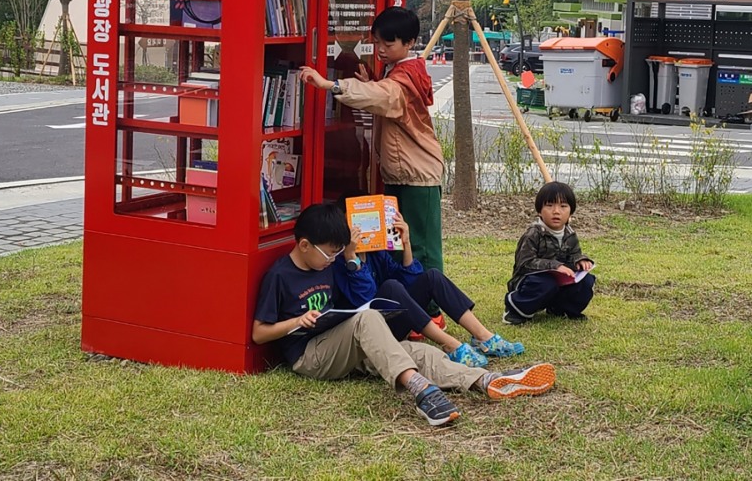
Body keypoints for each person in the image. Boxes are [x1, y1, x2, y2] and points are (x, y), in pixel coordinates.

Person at [252, 202, 556, 427]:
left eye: (335, 253)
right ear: (304, 245)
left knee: (415, 350)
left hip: (341, 344)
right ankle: (420, 390)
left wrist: (362, 257)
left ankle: (486, 380)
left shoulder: (328, 265)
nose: (332, 259)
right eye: (328, 253)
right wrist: (296, 322)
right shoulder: (280, 275)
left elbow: (385, 286)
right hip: (310, 356)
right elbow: (259, 332)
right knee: (368, 319)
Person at [299, 7, 445, 276]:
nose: (380, 49)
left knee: (421, 246)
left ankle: (432, 309)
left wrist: (329, 85)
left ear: (410, 43)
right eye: (377, 42)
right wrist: (374, 83)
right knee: (396, 243)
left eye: (388, 43)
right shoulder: (396, 73)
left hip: (418, 176)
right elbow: (382, 98)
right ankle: (407, 302)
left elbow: (384, 97)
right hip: (401, 174)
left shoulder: (403, 80)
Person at [334, 211, 525, 368]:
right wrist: (352, 256)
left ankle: (483, 336)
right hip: (374, 332)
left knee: (432, 276)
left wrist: (406, 243)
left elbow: (411, 279)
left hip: (394, 320)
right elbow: (366, 299)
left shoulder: (377, 253)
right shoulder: (339, 262)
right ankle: (450, 345)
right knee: (391, 287)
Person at [503, 181, 595, 325]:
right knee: (545, 282)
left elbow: (574, 255)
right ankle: (516, 309)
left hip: (559, 283)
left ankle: (561, 309)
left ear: (571, 212)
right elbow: (524, 263)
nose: (556, 211)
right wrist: (554, 266)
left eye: (563, 206)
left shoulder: (570, 234)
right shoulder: (533, 234)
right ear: (539, 210)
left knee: (586, 281)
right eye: (549, 205)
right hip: (530, 282)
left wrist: (580, 261)